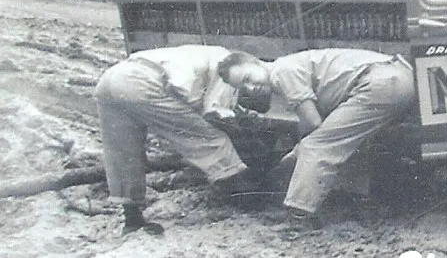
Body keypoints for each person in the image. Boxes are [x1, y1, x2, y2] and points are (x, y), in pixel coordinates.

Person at [95, 44, 272, 235]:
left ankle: (132, 220)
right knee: (212, 140)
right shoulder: (228, 67)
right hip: (141, 82)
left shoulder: (208, 53)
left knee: (122, 151)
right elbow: (211, 112)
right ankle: (246, 198)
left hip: (110, 79)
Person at [268, 48, 415, 223]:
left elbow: (313, 123)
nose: (250, 87)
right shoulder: (297, 62)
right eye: (242, 87)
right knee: (352, 144)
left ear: (255, 62)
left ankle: (298, 216)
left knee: (316, 146)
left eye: (247, 78)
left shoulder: (280, 70)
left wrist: (298, 151)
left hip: (378, 83)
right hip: (398, 77)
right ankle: (361, 207)